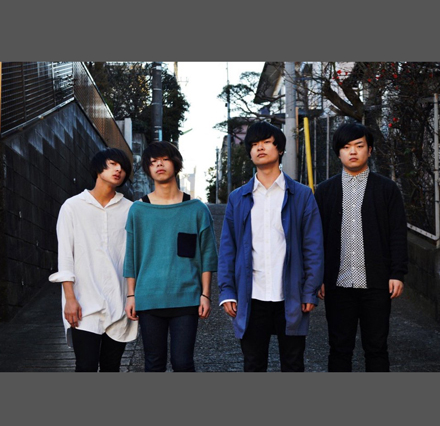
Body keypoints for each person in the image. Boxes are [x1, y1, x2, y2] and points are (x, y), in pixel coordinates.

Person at [217, 121, 324, 372]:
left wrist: (310, 290)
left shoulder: (301, 195)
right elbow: (228, 248)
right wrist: (227, 291)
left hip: (291, 294)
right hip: (251, 295)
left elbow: (313, 246)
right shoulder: (238, 198)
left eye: (266, 142)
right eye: (254, 144)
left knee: (293, 364)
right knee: (253, 364)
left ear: (280, 149)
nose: (260, 148)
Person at [314, 121, 408, 372]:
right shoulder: (324, 191)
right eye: (346, 147)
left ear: (370, 150)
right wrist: (318, 277)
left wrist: (397, 273)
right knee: (339, 349)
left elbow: (398, 233)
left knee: (377, 348)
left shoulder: (387, 189)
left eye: (359, 145)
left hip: (376, 284)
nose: (353, 151)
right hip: (338, 284)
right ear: (338, 152)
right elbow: (316, 238)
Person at [124, 141, 218, 372]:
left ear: (176, 164)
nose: (159, 165)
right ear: (148, 169)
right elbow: (131, 256)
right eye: (153, 162)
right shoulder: (138, 210)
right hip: (149, 296)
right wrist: (131, 295)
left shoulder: (197, 209)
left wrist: (205, 294)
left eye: (164, 159)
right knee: (153, 363)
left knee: (183, 362)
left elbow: (207, 255)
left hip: (186, 297)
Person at [49, 147, 138, 372]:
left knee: (111, 367)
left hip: (119, 302)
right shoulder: (72, 207)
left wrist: (132, 296)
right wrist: (70, 298)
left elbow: (134, 257)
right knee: (85, 367)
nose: (118, 170)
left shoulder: (131, 210)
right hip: (83, 303)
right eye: (112, 164)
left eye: (123, 167)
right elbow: (65, 256)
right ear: (98, 168)